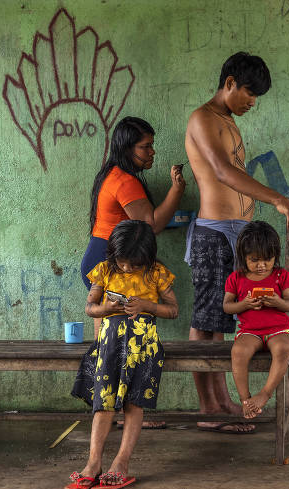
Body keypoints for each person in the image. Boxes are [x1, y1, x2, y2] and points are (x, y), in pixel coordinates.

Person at [184, 51, 289, 433]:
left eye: (257, 97)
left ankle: (222, 403)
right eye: (249, 92)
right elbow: (222, 172)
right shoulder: (203, 118)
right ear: (230, 82)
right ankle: (211, 409)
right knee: (206, 322)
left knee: (222, 321)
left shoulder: (229, 122)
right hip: (215, 232)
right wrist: (278, 199)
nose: (253, 102)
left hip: (235, 232)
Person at [81, 116, 184, 429]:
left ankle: (119, 414)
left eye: (152, 145)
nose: (152, 152)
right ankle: (125, 413)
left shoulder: (113, 174)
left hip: (105, 257)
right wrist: (177, 191)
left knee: (113, 348)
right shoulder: (125, 180)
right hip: (113, 265)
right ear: (127, 148)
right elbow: (151, 224)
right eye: (145, 146)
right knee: (120, 349)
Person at [65, 220, 178, 489]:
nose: (127, 268)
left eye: (134, 265)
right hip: (110, 348)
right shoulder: (104, 270)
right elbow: (89, 308)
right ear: (113, 254)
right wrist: (107, 308)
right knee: (102, 404)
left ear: (148, 257)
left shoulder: (156, 273)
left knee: (133, 404)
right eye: (122, 262)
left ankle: (121, 463)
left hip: (144, 347)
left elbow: (173, 310)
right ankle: (93, 463)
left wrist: (147, 305)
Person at [223, 221, 289, 419]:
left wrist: (277, 302)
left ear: (275, 256)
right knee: (238, 351)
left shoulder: (282, 275)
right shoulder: (236, 278)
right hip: (250, 332)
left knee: (284, 349)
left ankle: (264, 394)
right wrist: (244, 304)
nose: (262, 265)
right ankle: (246, 401)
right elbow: (227, 306)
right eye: (254, 260)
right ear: (243, 257)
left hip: (279, 330)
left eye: (267, 259)